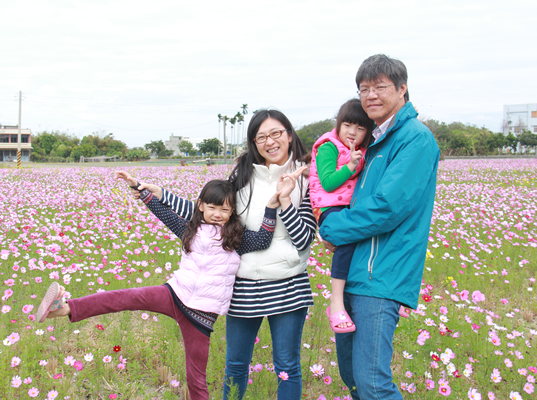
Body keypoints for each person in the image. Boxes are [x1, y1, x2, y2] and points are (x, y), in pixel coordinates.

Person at [36, 177, 288, 400]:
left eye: (224, 209)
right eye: (212, 207)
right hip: (173, 293)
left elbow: (263, 239)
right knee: (123, 297)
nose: (218, 214)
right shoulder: (191, 229)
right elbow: (165, 214)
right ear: (200, 205)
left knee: (196, 377)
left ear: (232, 211)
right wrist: (141, 191)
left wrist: (271, 208)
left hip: (201, 315)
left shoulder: (234, 238)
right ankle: (64, 308)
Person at [150, 109, 316, 400]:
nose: (270, 141)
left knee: (287, 366)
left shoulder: (310, 179)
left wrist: (285, 199)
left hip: (289, 283)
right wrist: (163, 195)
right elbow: (210, 213)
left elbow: (303, 241)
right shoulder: (242, 177)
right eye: (261, 136)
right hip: (242, 283)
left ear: (289, 135)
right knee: (236, 365)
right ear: (254, 143)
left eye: (276, 133)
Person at [320, 54, 440, 399]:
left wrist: (331, 227)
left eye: (379, 87)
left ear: (402, 89)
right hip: (358, 271)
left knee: (372, 381)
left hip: (380, 274)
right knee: (353, 377)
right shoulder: (373, 142)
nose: (370, 95)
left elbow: (387, 208)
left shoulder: (414, 139)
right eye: (363, 89)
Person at [308, 98, 373, 333]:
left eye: (360, 128)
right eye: (347, 125)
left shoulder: (365, 148)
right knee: (346, 238)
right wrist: (350, 167)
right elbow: (326, 183)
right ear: (338, 124)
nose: (353, 132)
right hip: (328, 208)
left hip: (349, 207)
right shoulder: (329, 146)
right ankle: (335, 303)